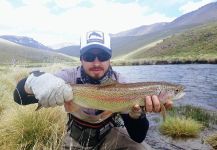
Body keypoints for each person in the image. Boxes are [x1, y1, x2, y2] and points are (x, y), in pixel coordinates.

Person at [14, 30, 173, 150]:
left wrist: (137, 116)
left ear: (110, 58)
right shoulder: (67, 77)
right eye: (89, 56)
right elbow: (19, 97)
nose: (96, 62)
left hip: (111, 136)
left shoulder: (123, 84)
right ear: (81, 58)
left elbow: (138, 137)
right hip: (74, 138)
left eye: (102, 56)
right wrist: (33, 82)